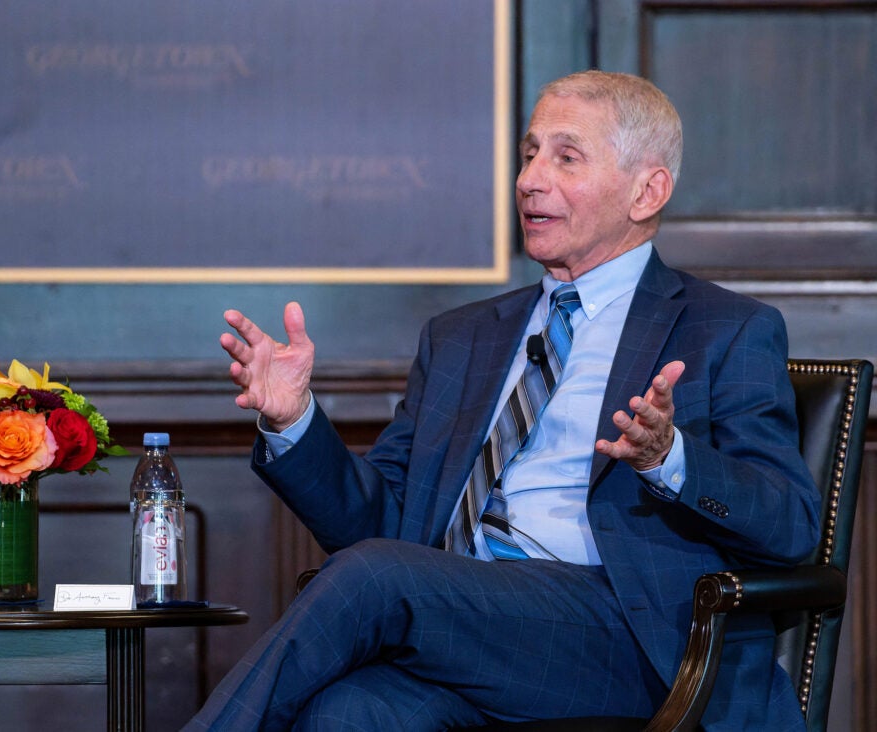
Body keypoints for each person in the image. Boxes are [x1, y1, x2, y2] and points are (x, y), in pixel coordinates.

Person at [186, 70, 820, 731]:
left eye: (565, 157)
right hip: (465, 626)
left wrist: (670, 458)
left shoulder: (725, 330)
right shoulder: (462, 338)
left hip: (623, 638)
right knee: (349, 712)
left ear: (647, 191)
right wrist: (293, 423)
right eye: (529, 153)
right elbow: (378, 526)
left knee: (373, 577)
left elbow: (790, 525)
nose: (529, 179)